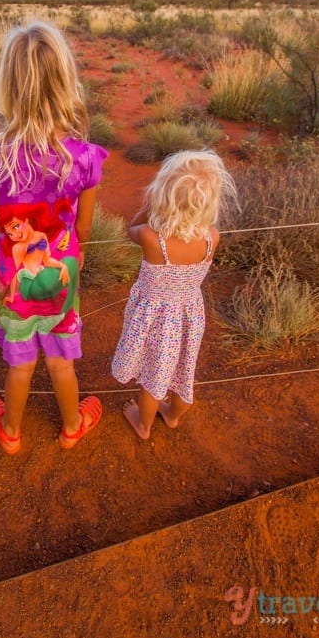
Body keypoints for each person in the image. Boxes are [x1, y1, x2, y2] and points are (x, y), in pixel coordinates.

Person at [0, 21, 108, 454]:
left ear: (7, 85)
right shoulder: (82, 159)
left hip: (15, 284)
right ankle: (72, 426)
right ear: (65, 81)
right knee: (60, 359)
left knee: (21, 363)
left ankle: (10, 431)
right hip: (61, 275)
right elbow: (82, 228)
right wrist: (77, 252)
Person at [111, 149, 237, 439]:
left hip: (154, 319)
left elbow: (132, 228)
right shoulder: (212, 238)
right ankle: (172, 415)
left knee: (154, 376)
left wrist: (150, 204)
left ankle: (143, 424)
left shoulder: (152, 239)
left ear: (163, 195)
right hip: (188, 317)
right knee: (183, 369)